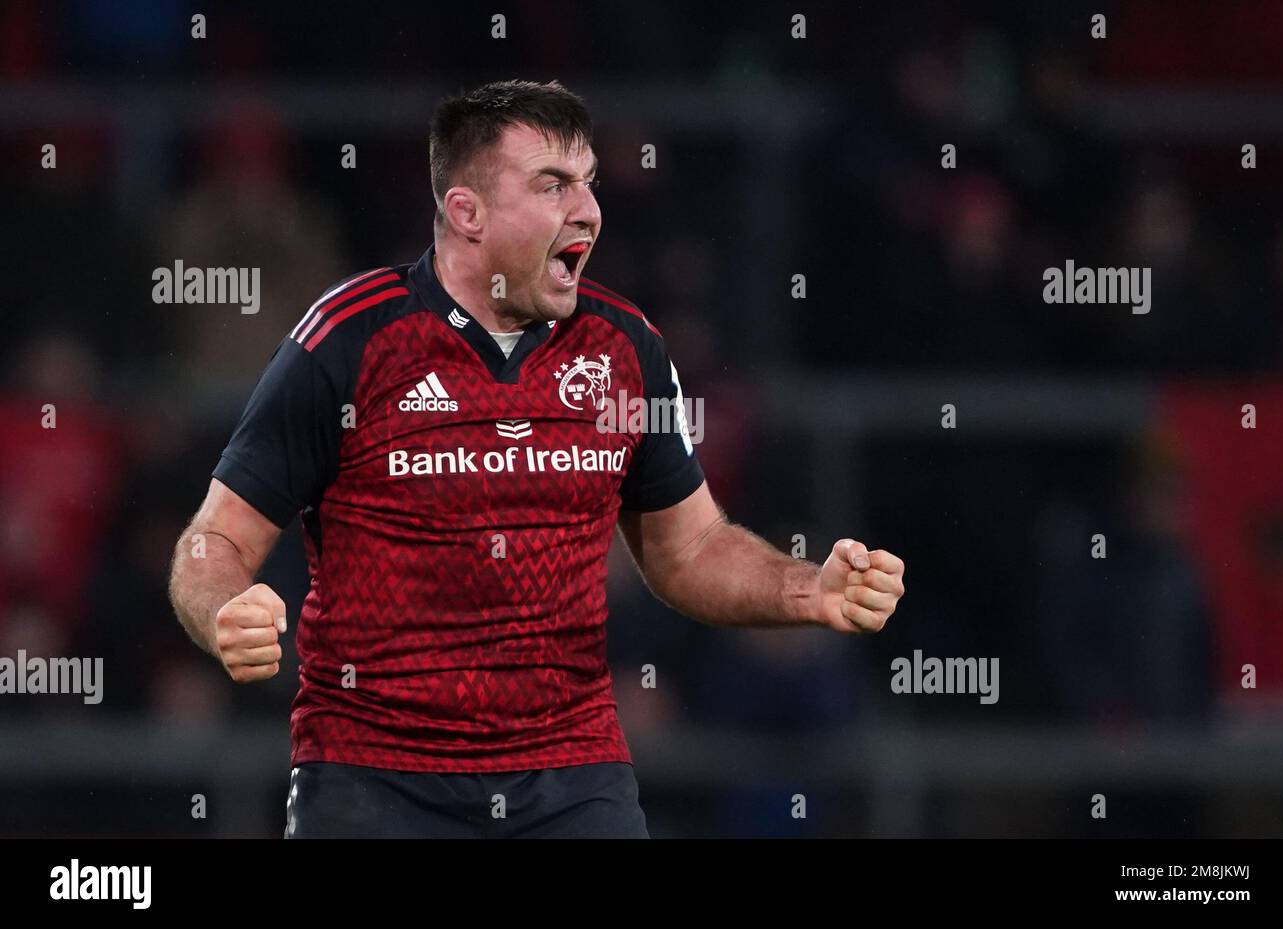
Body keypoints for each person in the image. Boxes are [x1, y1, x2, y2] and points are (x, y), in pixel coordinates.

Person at [167, 79, 905, 838]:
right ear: (467, 212)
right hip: (373, 778)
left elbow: (689, 549)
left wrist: (805, 590)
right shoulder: (347, 341)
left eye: (586, 182)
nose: (587, 209)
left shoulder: (627, 349)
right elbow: (212, 541)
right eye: (552, 185)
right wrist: (226, 607)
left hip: (571, 777)